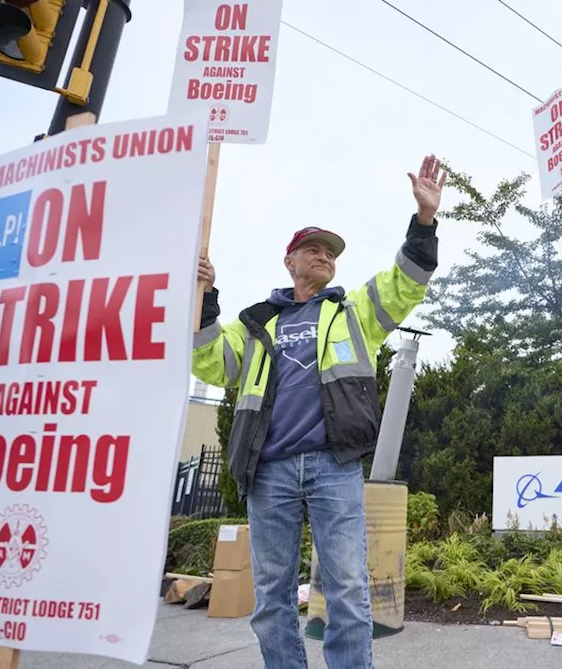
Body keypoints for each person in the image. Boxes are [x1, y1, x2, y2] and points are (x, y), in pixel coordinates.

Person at [192, 155, 448, 669]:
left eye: (330, 251)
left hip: (334, 465)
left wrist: (424, 220)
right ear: (290, 261)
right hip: (269, 472)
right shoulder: (254, 323)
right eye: (313, 249)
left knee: (349, 594)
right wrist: (204, 301)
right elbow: (212, 361)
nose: (324, 256)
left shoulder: (354, 311)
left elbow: (407, 281)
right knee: (271, 602)